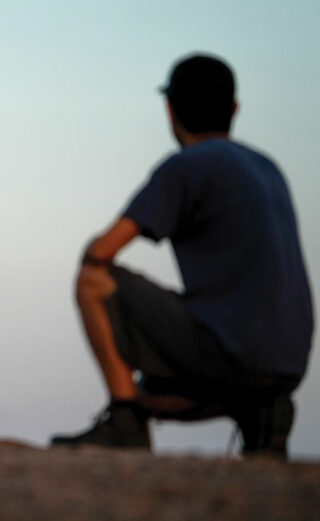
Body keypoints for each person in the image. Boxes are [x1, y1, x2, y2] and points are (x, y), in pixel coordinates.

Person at [50, 53, 314, 459]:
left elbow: (102, 251)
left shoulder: (187, 166)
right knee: (152, 390)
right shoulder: (268, 167)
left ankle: (125, 422)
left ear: (170, 110)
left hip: (229, 353)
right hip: (287, 364)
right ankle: (262, 411)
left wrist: (89, 248)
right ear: (234, 109)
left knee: (93, 281)